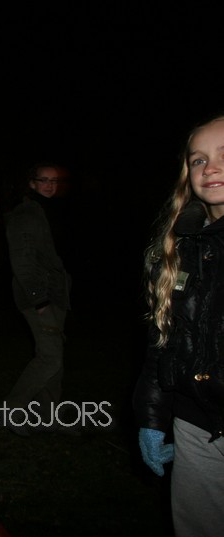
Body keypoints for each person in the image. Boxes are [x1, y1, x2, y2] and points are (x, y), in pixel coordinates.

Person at [132, 114, 224, 537]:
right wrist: (152, 417)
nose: (211, 167)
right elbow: (163, 340)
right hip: (193, 422)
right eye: (198, 159)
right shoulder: (179, 244)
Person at [2, 162, 73, 436]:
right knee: (51, 358)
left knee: (54, 358)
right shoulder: (25, 214)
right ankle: (12, 409)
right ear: (32, 183)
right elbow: (22, 262)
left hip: (56, 294)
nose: (49, 185)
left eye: (54, 180)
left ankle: (49, 417)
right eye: (44, 180)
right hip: (39, 298)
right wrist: (39, 301)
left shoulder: (51, 211)